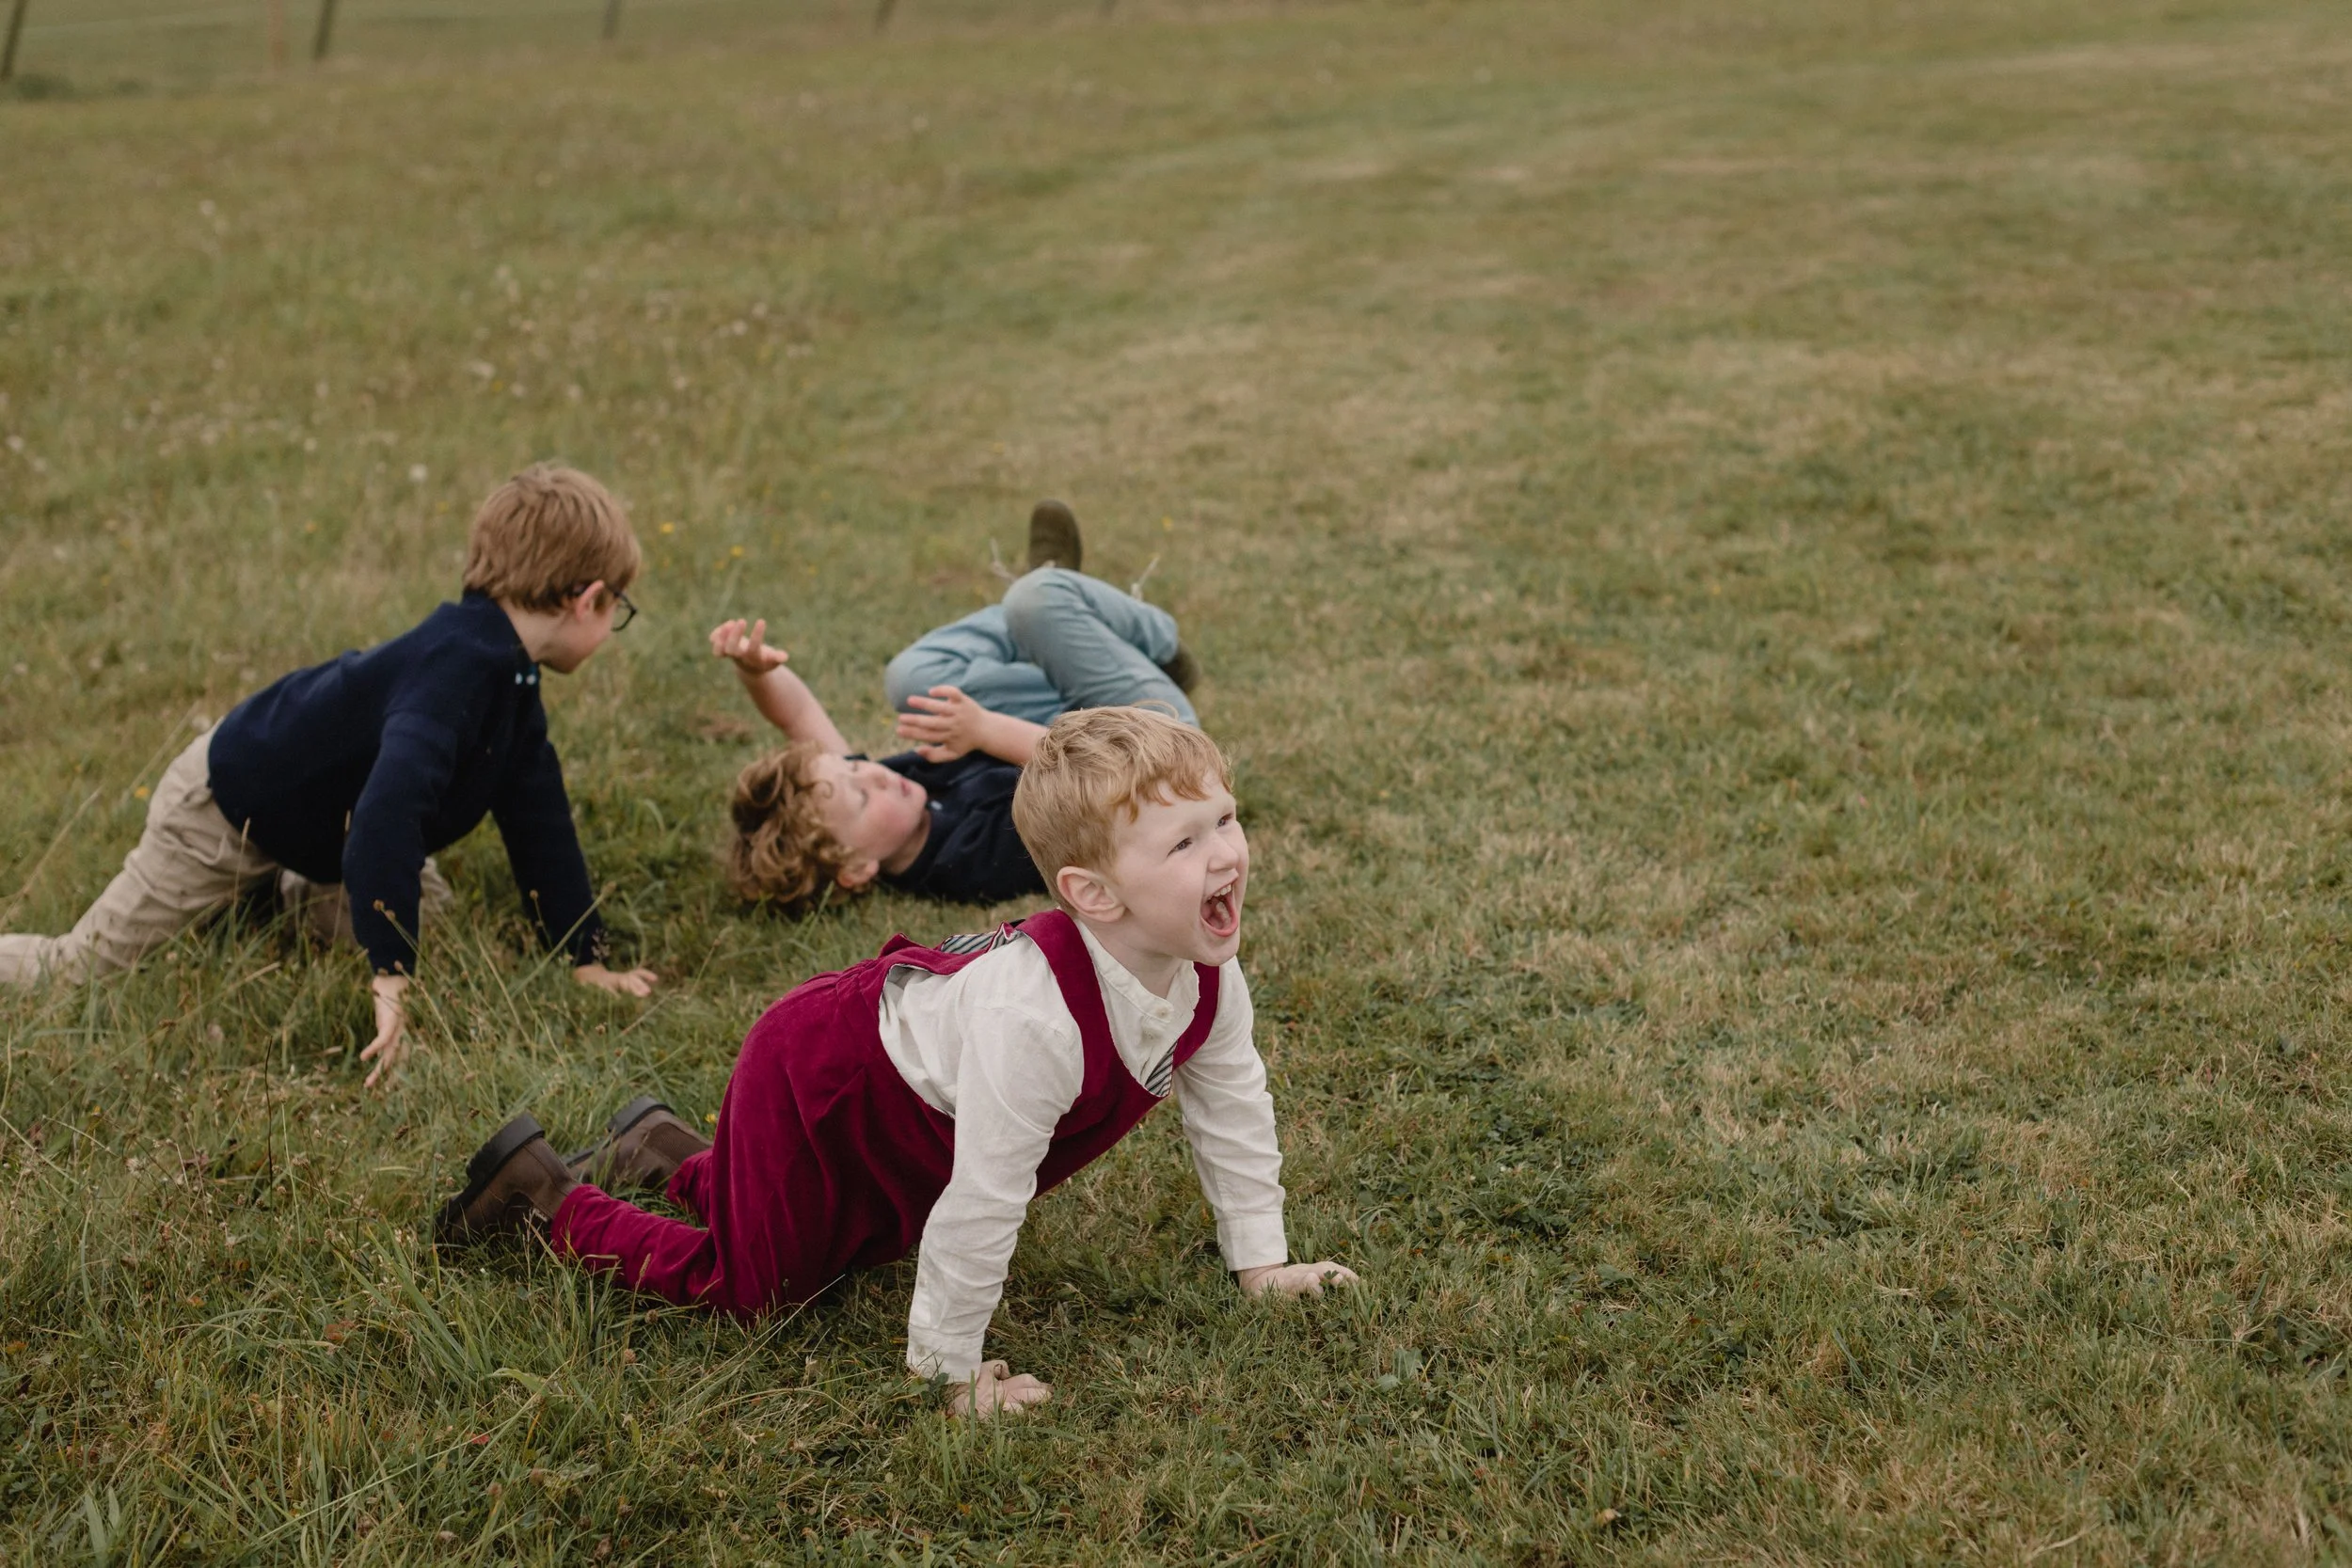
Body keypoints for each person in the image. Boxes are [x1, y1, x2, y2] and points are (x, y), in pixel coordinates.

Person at [435, 705, 1357, 1418]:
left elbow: (1233, 1103)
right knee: (760, 1287)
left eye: (1225, 819)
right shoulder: (1035, 1022)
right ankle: (547, 1196)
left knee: (841, 1242)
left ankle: (664, 1151)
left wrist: (1261, 1261)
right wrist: (951, 1372)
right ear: (1091, 893)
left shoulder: (1207, 975)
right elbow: (983, 1198)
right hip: (820, 1075)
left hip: (909, 1111)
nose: (1226, 853)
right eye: (1185, 841)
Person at [0, 464, 660, 1088]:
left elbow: (536, 811)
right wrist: (392, 979)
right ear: (588, 599)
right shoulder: (453, 672)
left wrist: (585, 958)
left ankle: (280, 891)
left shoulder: (510, 673)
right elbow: (385, 819)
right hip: (224, 811)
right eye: (617, 609)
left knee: (434, 921)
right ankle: (251, 884)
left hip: (323, 824)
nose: (613, 622)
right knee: (82, 970)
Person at [716, 499, 1201, 914]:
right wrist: (985, 730)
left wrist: (756, 671)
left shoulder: (888, 801)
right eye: (861, 795)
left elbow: (797, 718)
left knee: (914, 681)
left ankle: (1067, 615)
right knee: (1036, 599)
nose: (872, 773)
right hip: (1150, 747)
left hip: (1082, 725)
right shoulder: (973, 863)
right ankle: (1143, 642)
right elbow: (1100, 777)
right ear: (856, 868)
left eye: (853, 771)